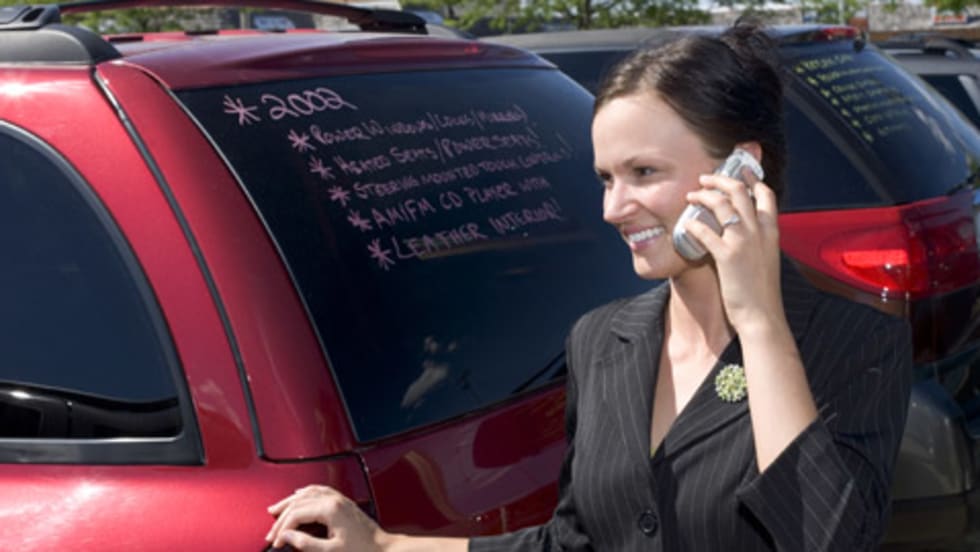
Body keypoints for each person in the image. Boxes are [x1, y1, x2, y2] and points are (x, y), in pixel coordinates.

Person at [264, 19, 913, 552]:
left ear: (743, 171)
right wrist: (384, 546)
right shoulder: (602, 341)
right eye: (606, 178)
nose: (612, 208)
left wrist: (761, 325)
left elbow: (823, 539)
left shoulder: (855, 344)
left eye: (644, 172)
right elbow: (573, 543)